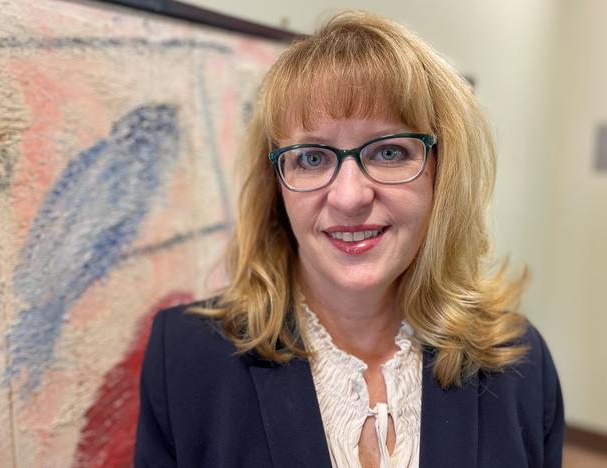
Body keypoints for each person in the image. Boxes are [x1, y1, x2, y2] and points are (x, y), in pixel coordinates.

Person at [134, 10, 563, 468]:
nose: (349, 197)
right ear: (275, 185)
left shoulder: (519, 363)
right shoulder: (185, 357)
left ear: (444, 174)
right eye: (313, 158)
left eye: (389, 151)